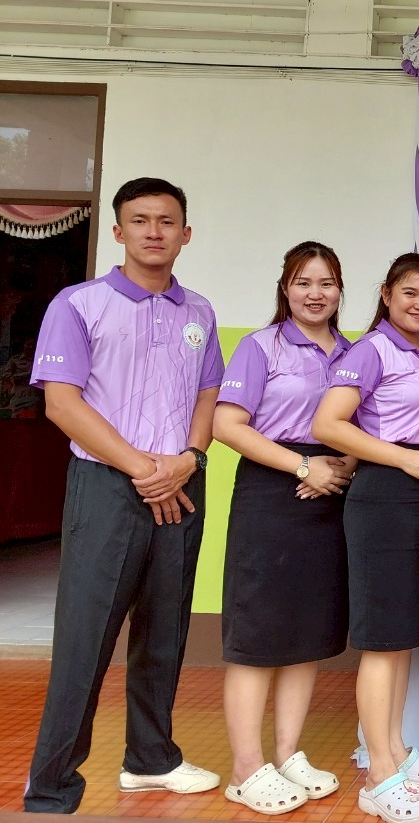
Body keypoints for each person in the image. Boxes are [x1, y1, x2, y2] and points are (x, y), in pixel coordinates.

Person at [24, 177, 224, 813]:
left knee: (164, 631)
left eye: (166, 221)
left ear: (185, 234)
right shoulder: (78, 305)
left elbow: (207, 395)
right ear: (117, 231)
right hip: (108, 487)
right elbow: (62, 403)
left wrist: (188, 460)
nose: (153, 232)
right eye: (140, 220)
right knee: (86, 637)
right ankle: (51, 786)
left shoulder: (199, 312)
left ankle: (150, 760)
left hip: (181, 484)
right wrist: (143, 468)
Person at [312, 253, 419, 823]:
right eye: (410, 293)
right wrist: (404, 458)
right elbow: (328, 424)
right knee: (380, 640)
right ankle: (378, 778)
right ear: (387, 294)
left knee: (399, 639)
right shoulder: (370, 350)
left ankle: (393, 749)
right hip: (385, 498)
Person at [214, 241, 356, 814]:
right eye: (303, 282)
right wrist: (302, 466)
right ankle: (246, 769)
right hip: (272, 495)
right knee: (258, 634)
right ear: (285, 288)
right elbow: (228, 425)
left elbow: (369, 424)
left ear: (340, 290)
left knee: (305, 632)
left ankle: (287, 754)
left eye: (326, 283)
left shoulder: (353, 352)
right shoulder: (261, 346)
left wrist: (341, 468)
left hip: (330, 496)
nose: (315, 294)